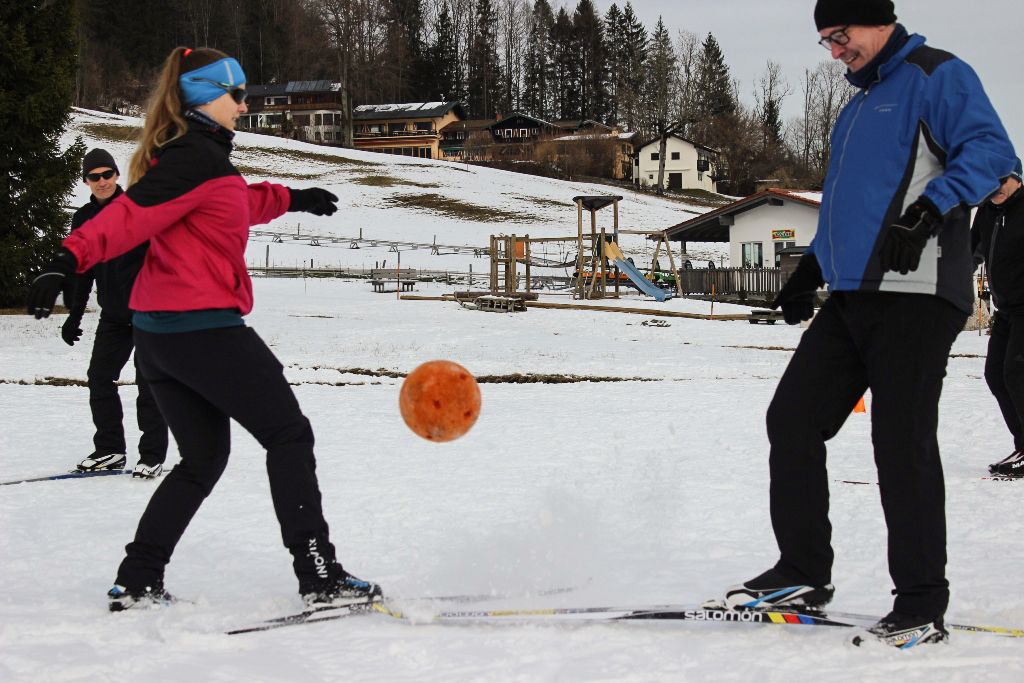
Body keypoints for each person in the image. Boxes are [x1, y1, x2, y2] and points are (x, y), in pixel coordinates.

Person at [27, 46, 381, 611]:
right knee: (289, 435)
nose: (244, 105)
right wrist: (68, 259)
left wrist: (296, 198)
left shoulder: (201, 160)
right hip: (202, 331)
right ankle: (320, 575)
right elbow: (125, 218)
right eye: (236, 95)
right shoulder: (192, 157)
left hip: (161, 340)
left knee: (201, 459)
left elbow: (235, 200)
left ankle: (138, 578)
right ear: (203, 97)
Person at [722, 0, 1019, 648]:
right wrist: (812, 267)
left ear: (876, 20)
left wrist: (931, 209)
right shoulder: (856, 111)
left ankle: (920, 602)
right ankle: (802, 570)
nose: (834, 51)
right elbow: (847, 206)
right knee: (792, 419)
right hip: (854, 295)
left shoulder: (938, 75)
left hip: (918, 292)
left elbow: (994, 153)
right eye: (825, 41)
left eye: (840, 35)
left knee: (899, 441)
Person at [64, 148, 169, 479]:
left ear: (116, 176)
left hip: (149, 312)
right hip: (113, 316)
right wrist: (74, 316)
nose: (102, 181)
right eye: (94, 176)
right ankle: (110, 449)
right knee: (99, 377)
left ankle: (151, 454)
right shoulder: (82, 219)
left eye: (107, 174)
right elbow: (82, 272)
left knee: (147, 383)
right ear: (85, 181)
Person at [972, 171, 1024, 476]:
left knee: (1016, 371)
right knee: (995, 374)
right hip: (1006, 310)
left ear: (1017, 177)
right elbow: (968, 251)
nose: (996, 187)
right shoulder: (987, 212)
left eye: (1002, 179)